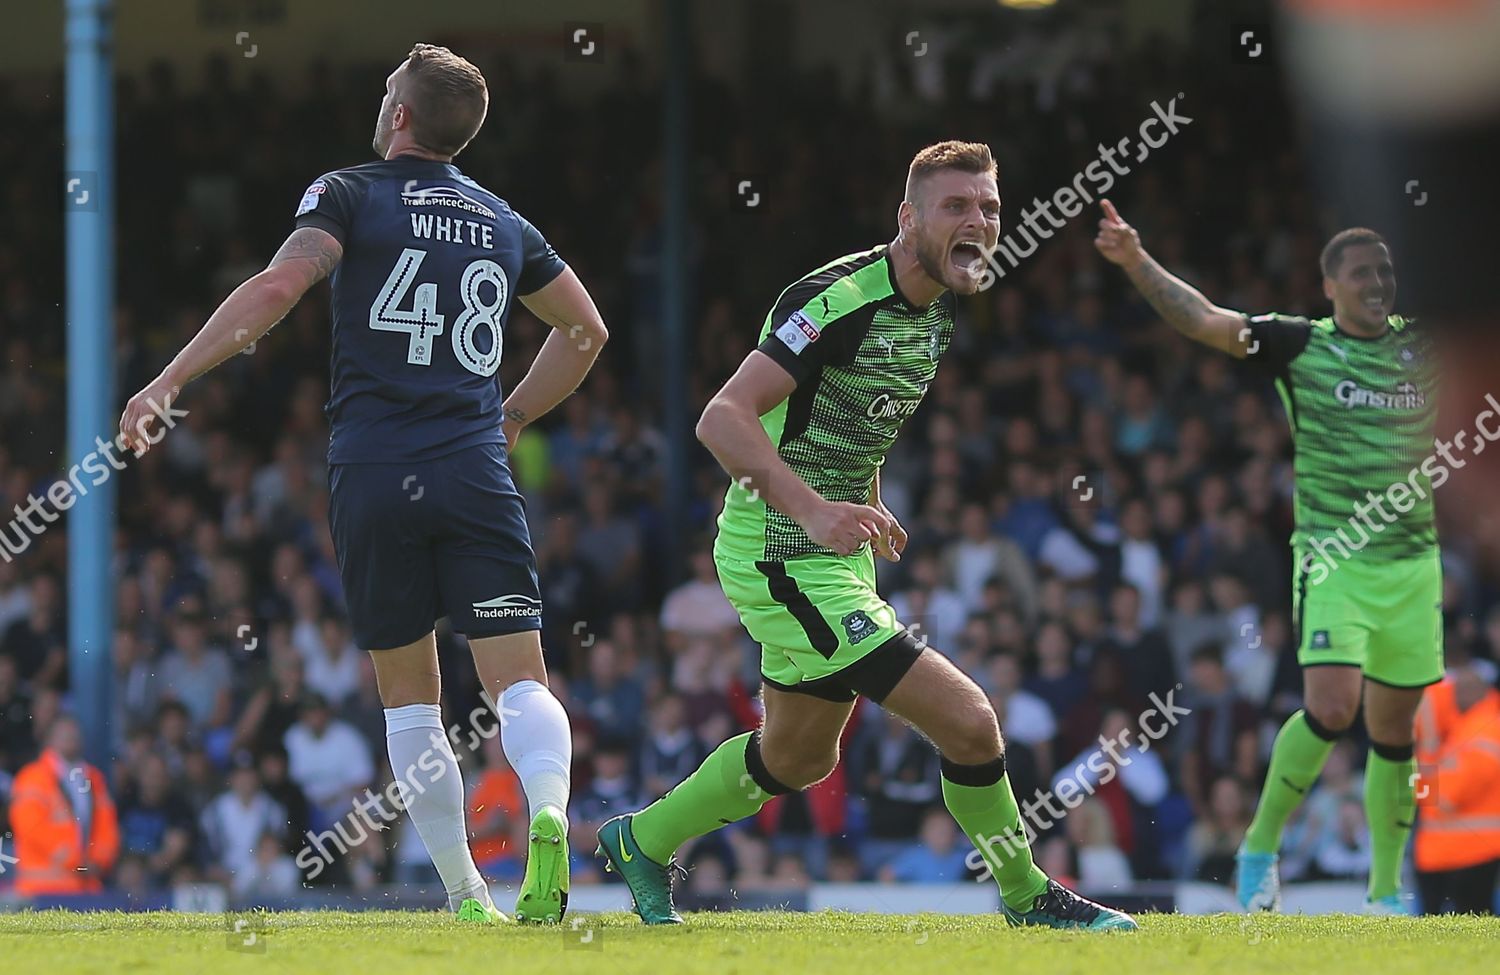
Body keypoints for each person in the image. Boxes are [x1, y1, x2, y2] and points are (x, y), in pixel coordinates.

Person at [118, 43, 608, 924]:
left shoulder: (347, 192)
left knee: (409, 694)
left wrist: (171, 378)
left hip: (376, 468)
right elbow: (586, 331)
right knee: (520, 682)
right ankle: (546, 810)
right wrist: (515, 416)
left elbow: (278, 285)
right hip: (473, 465)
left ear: (401, 117)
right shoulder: (502, 219)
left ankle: (466, 893)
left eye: (387, 91)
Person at [596, 142, 1135, 930]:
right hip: (779, 550)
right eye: (956, 206)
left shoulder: (945, 304)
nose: (978, 222)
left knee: (800, 757)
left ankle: (641, 840)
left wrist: (866, 502)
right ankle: (1027, 896)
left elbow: (850, 420)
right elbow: (723, 417)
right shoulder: (836, 299)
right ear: (907, 217)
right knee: (970, 718)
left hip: (836, 552)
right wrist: (816, 509)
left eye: (988, 207)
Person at [1098, 204, 1439, 914]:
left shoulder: (1424, 344)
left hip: (1414, 563)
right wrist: (1135, 260)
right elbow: (1203, 320)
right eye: (1360, 271)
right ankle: (1260, 844)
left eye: (1385, 269)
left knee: (1396, 730)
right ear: (1328, 286)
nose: (1376, 281)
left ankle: (1383, 889)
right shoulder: (1297, 343)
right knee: (1333, 706)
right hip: (1335, 557)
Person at [1413, 659, 1500, 914]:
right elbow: (1417, 795)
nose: (1455, 694)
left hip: (1472, 853)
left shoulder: (1487, 730)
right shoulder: (1459, 732)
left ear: (1481, 689)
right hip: (1441, 853)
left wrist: (1427, 757)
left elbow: (1445, 798)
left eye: (1464, 688)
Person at [9, 715, 120, 895]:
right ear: (49, 739)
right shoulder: (32, 777)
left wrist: (98, 861)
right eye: (64, 735)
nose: (70, 739)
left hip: (86, 888)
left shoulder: (93, 777)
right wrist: (75, 861)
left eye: (74, 735)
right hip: (42, 890)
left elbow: (106, 825)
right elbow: (30, 828)